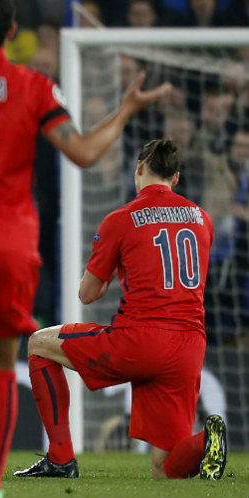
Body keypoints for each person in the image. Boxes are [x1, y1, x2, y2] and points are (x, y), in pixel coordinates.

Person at [0, 1, 172, 497]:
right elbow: (82, 152)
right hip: (12, 242)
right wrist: (126, 108)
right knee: (0, 359)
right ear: (12, 31)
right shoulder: (34, 86)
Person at [15, 139, 227, 481]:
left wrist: (115, 267)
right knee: (165, 468)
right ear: (175, 178)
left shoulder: (122, 219)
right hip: (189, 346)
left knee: (39, 344)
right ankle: (206, 441)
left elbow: (87, 294)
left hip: (140, 341)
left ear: (139, 169)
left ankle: (60, 459)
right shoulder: (202, 220)